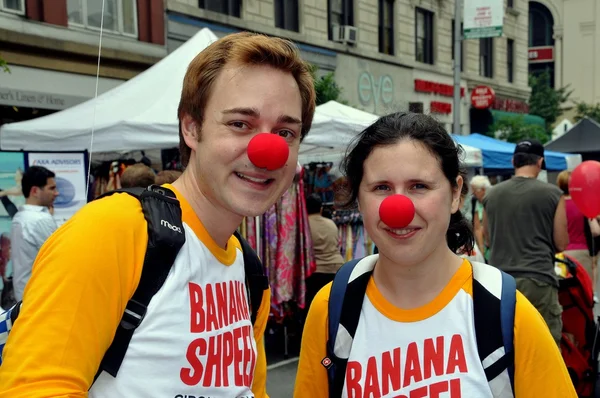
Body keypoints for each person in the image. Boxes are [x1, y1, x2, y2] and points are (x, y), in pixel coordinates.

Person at [0, 32, 316, 397]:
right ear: (191, 128)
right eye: (239, 124)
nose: (268, 150)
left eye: (286, 132)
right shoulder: (113, 230)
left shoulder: (249, 271)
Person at [295, 113, 576, 397]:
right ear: (359, 198)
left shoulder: (510, 314)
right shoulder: (332, 308)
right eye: (382, 188)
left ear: (455, 194)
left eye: (419, 186)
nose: (399, 208)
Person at [483, 139, 568, 346]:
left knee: (505, 347)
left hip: (499, 283)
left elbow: (487, 239)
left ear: (513, 161)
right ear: (540, 162)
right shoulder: (553, 194)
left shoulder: (491, 194)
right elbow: (561, 243)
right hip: (538, 279)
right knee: (543, 347)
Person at [10, 166, 59, 302]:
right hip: (40, 298)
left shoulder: (20, 216)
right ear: (35, 191)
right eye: (52, 188)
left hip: (25, 295)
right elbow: (61, 258)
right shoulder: (40, 219)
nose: (57, 193)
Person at [557, 170, 600, 283]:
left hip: (561, 253)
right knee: (584, 291)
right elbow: (596, 231)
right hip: (581, 252)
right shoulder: (582, 203)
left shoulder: (556, 205)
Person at [305, 193, 344, 310]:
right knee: (332, 307)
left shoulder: (304, 225)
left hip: (315, 272)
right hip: (335, 268)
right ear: (321, 208)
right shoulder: (331, 224)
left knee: (315, 308)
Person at [470, 175, 492, 261]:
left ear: (483, 190)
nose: (473, 193)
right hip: (480, 244)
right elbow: (477, 227)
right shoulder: (474, 203)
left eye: (475, 190)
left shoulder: (491, 203)